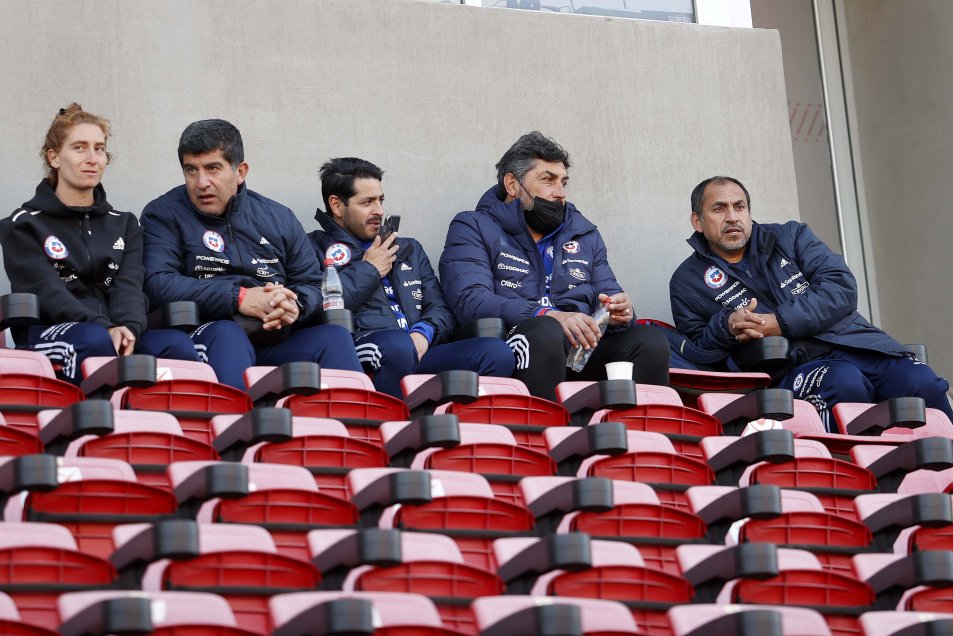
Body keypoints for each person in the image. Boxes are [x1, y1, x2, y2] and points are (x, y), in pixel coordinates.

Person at [670, 175, 953, 428]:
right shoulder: (686, 281)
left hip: (855, 343)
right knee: (843, 381)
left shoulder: (791, 236)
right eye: (719, 209)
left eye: (739, 206)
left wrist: (778, 322)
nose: (732, 216)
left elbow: (840, 288)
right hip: (789, 369)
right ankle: (864, 478)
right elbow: (697, 353)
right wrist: (727, 325)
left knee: (922, 382)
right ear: (698, 221)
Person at [439, 132, 670, 401]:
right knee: (546, 331)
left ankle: (640, 437)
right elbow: (470, 301)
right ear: (512, 184)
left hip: (579, 353)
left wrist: (620, 312)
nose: (560, 193)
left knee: (650, 341)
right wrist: (546, 314)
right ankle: (541, 436)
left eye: (563, 182)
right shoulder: (473, 226)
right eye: (548, 180)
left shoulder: (584, 233)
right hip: (516, 346)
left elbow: (610, 295)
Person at [140, 119, 362, 389]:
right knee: (228, 334)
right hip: (208, 333)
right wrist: (239, 297)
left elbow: (313, 283)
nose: (201, 182)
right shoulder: (163, 213)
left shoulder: (278, 218)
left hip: (273, 337)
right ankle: (237, 430)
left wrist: (295, 305)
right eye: (191, 170)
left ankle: (345, 428)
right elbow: (157, 283)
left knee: (334, 338)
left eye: (213, 168)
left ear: (240, 171)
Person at [0, 104, 199, 384]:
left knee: (175, 345)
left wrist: (128, 329)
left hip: (111, 331)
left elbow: (129, 289)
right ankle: (83, 425)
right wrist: (104, 328)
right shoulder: (23, 224)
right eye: (79, 148)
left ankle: (157, 426)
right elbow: (50, 295)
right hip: (52, 333)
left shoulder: (125, 224)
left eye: (99, 148)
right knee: (94, 341)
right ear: (54, 157)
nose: (92, 158)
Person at [309, 157, 514, 397]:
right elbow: (315, 308)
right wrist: (370, 270)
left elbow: (441, 309)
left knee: (495, 352)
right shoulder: (313, 248)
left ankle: (464, 431)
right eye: (367, 202)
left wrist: (424, 333)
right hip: (365, 349)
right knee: (396, 346)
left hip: (419, 349)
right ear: (336, 205)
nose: (379, 211)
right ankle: (391, 429)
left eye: (380, 200)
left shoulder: (410, 249)